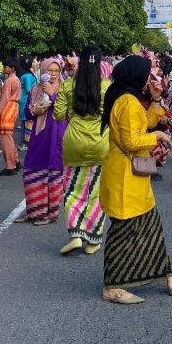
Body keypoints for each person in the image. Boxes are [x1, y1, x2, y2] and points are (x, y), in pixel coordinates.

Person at [99, 55, 172, 304]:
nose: (150, 79)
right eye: (147, 75)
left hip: (130, 176)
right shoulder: (128, 102)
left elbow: (146, 124)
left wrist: (154, 99)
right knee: (124, 231)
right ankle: (113, 286)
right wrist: (159, 136)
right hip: (125, 177)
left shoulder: (125, 98)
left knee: (150, 228)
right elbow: (132, 142)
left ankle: (170, 276)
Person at [53, 45, 110, 255]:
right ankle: (93, 240)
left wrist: (71, 113)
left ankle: (76, 234)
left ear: (81, 62)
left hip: (74, 142)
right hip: (101, 143)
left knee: (72, 190)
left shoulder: (67, 85)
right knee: (96, 193)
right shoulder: (107, 86)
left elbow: (58, 115)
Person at [15, 58, 66, 224]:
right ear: (42, 71)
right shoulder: (35, 89)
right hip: (39, 134)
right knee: (33, 168)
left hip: (57, 133)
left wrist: (52, 93)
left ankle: (49, 214)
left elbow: (66, 110)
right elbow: (27, 113)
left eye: (56, 71)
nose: (52, 74)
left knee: (53, 170)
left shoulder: (64, 89)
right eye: (49, 71)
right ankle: (34, 211)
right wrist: (34, 110)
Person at [0, 57, 21, 177]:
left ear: (12, 69)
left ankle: (10, 166)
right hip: (13, 107)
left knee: (5, 139)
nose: (4, 68)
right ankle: (15, 161)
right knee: (9, 138)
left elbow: (4, 98)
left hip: (8, 107)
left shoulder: (10, 80)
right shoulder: (15, 79)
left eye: (6, 67)